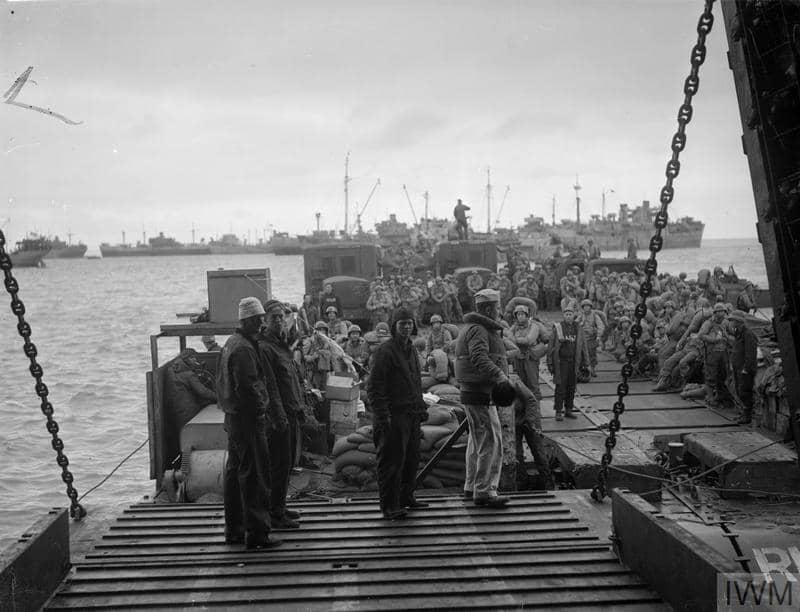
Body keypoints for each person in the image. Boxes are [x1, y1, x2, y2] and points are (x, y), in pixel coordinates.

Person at [216, 297, 281, 550]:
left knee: (235, 475)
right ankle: (258, 535)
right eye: (260, 318)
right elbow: (249, 386)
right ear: (251, 319)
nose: (263, 322)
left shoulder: (231, 343)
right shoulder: (243, 348)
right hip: (248, 421)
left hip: (232, 420)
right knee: (255, 477)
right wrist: (263, 408)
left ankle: (234, 530)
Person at [367, 307, 429, 520]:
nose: (406, 327)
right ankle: (389, 505)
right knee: (391, 462)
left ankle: (406, 497)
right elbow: (375, 387)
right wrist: (383, 417)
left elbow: (416, 381)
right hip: (393, 416)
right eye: (402, 323)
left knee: (411, 458)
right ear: (394, 326)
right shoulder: (385, 352)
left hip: (411, 414)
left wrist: (420, 407)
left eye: (409, 323)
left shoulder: (411, 350)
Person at [455, 288, 511, 508]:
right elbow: (479, 357)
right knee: (490, 441)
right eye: (497, 307)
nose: (499, 311)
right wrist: (500, 376)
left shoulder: (473, 327)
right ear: (488, 308)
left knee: (476, 441)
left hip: (475, 393)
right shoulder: (478, 329)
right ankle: (485, 491)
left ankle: (472, 486)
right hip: (480, 393)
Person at [258, 299, 304, 530]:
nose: (278, 321)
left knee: (286, 464)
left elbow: (292, 380)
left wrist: (301, 408)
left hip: (291, 411)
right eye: (273, 317)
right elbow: (271, 387)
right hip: (279, 416)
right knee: (278, 464)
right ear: (264, 321)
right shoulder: (265, 347)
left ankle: (280, 506)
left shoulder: (281, 345)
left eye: (281, 317)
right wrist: (279, 416)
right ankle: (275, 513)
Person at [547, 304, 590, 421]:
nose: (568, 316)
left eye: (570, 314)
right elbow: (551, 346)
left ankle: (568, 409)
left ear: (574, 315)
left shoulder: (578, 328)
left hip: (574, 362)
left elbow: (583, 347)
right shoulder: (558, 328)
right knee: (560, 387)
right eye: (566, 314)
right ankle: (558, 411)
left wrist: (587, 363)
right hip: (561, 362)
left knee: (571, 387)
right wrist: (550, 363)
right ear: (563, 315)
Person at [511, 376, 554, 490]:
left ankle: (547, 482)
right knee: (516, 453)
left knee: (538, 450)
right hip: (513, 423)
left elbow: (531, 399)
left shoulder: (514, 383)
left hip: (530, 419)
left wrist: (530, 421)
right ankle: (521, 482)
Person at [698, 302, 731, 408]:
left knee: (722, 375)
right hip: (712, 353)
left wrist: (728, 337)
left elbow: (732, 332)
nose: (721, 314)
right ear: (715, 313)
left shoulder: (726, 322)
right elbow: (701, 335)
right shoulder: (708, 323)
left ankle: (720, 396)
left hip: (723, 353)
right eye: (719, 312)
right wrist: (714, 340)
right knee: (710, 376)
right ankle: (710, 397)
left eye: (723, 312)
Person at [728, 309, 757, 424]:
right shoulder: (738, 333)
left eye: (732, 320)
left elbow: (750, 354)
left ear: (738, 321)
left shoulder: (748, 334)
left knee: (745, 391)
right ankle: (743, 413)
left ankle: (747, 416)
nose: (731, 322)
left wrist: (746, 368)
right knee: (739, 391)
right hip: (737, 367)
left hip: (745, 369)